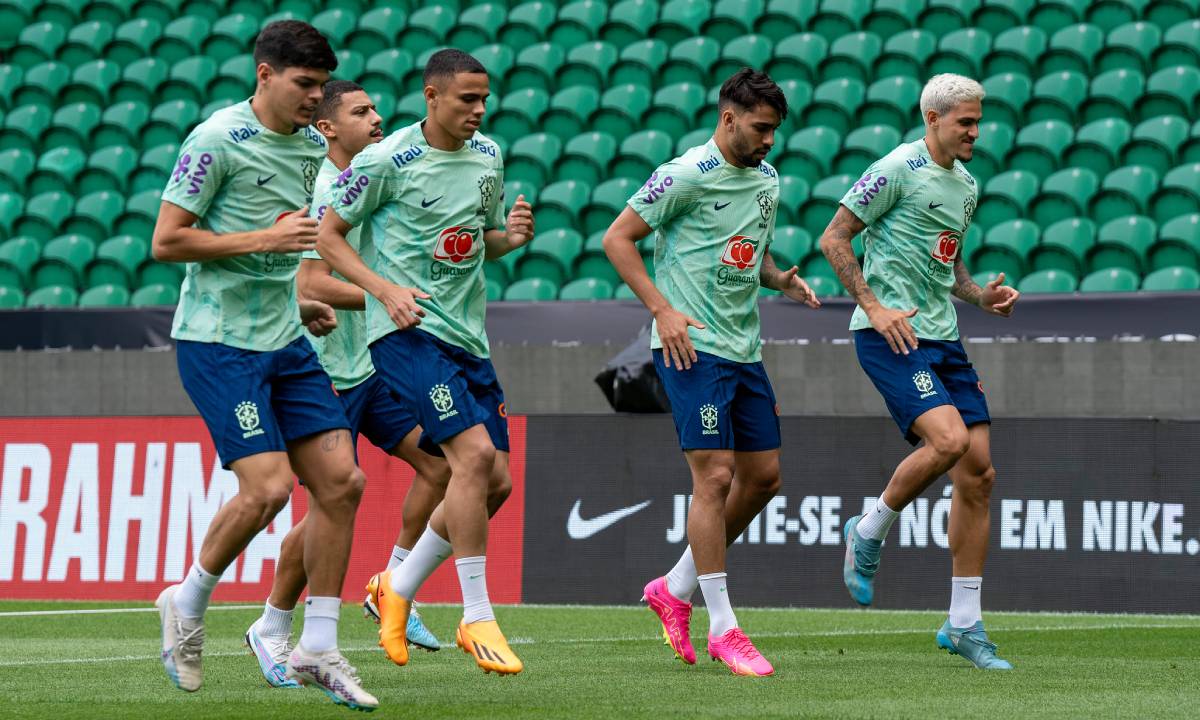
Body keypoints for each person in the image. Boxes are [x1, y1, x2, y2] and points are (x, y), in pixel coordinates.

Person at [150, 21, 377, 709]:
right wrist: (266, 239)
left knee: (343, 483)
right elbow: (167, 241)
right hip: (218, 342)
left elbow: (298, 244)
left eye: (320, 86)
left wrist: (300, 294)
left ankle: (318, 645)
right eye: (304, 85)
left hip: (283, 338)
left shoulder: (314, 148)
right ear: (265, 75)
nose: (316, 99)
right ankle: (187, 604)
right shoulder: (216, 139)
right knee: (270, 489)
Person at [244, 80, 488, 688]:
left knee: (442, 465)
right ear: (326, 127)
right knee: (329, 502)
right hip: (326, 371)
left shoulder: (386, 176)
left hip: (374, 363)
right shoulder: (325, 190)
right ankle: (272, 623)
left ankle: (392, 586)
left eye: (377, 109)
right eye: (361, 112)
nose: (377, 119)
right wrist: (388, 297)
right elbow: (310, 285)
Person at [316, 49, 532, 676]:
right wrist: (383, 290)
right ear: (431, 96)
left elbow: (478, 238)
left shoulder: (489, 155)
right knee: (468, 460)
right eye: (467, 98)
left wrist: (510, 237)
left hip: (469, 339)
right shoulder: (386, 161)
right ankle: (476, 613)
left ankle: (395, 583)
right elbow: (329, 237)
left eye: (485, 99)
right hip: (405, 334)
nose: (480, 110)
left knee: (496, 482)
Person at [602, 68, 820, 677]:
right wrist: (662, 311)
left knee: (764, 478)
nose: (770, 140)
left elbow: (753, 245)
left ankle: (672, 588)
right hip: (691, 349)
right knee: (716, 476)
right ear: (729, 119)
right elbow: (617, 239)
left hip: (745, 349)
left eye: (775, 130)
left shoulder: (767, 179)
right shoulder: (683, 175)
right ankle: (724, 626)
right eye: (761, 128)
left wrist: (777, 277)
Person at [818, 73, 1020, 670]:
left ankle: (963, 624)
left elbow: (948, 270)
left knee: (979, 474)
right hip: (891, 333)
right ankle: (870, 527)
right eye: (965, 121)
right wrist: (873, 307)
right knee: (950, 442)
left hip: (943, 338)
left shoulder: (966, 185)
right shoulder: (895, 168)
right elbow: (834, 239)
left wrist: (980, 297)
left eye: (978, 121)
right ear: (932, 118)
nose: (975, 132)